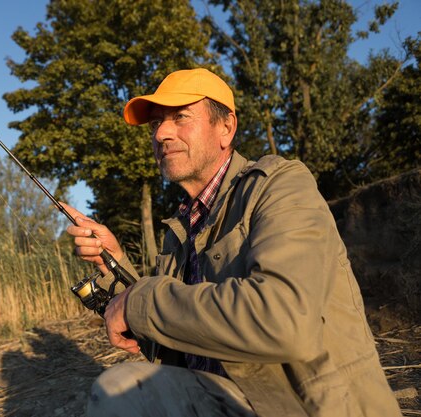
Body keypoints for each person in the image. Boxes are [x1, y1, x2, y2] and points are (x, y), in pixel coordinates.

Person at [63, 68, 401, 417]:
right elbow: (173, 336)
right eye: (155, 125)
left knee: (124, 389)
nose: (161, 133)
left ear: (226, 128)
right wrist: (114, 264)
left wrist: (141, 300)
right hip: (226, 399)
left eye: (180, 117)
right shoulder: (179, 230)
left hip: (304, 407)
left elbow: (285, 321)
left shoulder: (280, 185)